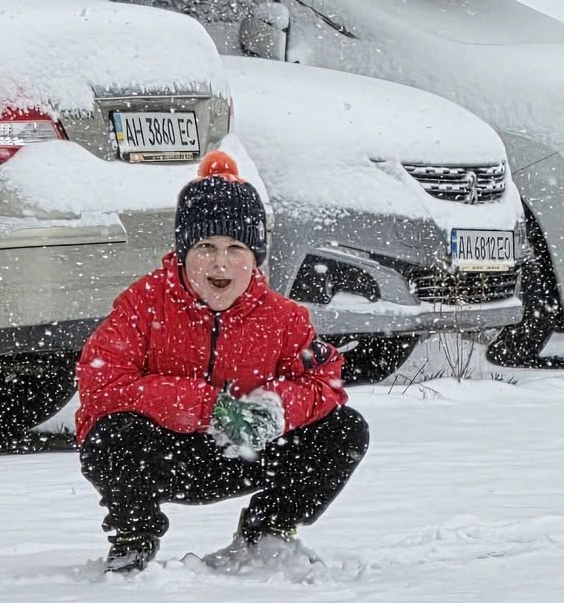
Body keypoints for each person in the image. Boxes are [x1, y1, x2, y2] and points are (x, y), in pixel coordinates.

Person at [76, 155, 369, 574]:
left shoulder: (283, 318)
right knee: (109, 436)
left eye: (236, 248)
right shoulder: (142, 304)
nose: (220, 263)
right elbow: (101, 385)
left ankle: (268, 533)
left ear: (256, 258)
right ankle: (132, 540)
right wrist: (205, 405)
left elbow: (326, 382)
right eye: (205, 248)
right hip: (165, 454)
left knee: (345, 428)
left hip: (246, 451)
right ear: (183, 252)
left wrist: (274, 407)